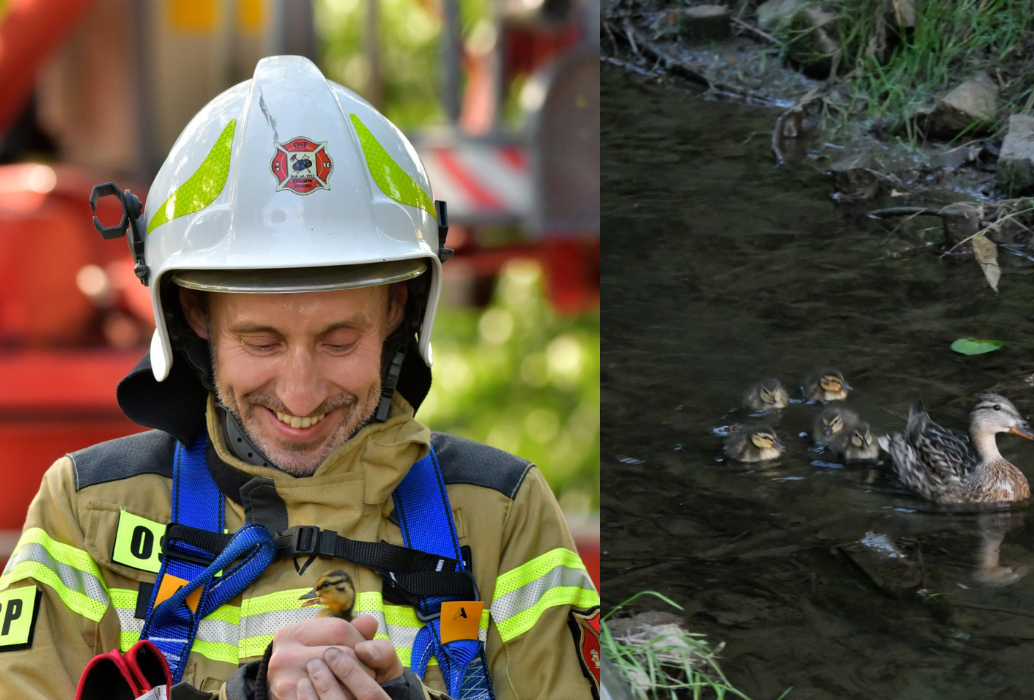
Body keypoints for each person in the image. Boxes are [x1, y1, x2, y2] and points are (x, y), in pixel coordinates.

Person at [0, 56, 599, 700]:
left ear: (398, 310)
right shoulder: (87, 514)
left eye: (339, 341)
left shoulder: (503, 518)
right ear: (194, 314)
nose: (300, 393)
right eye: (261, 342)